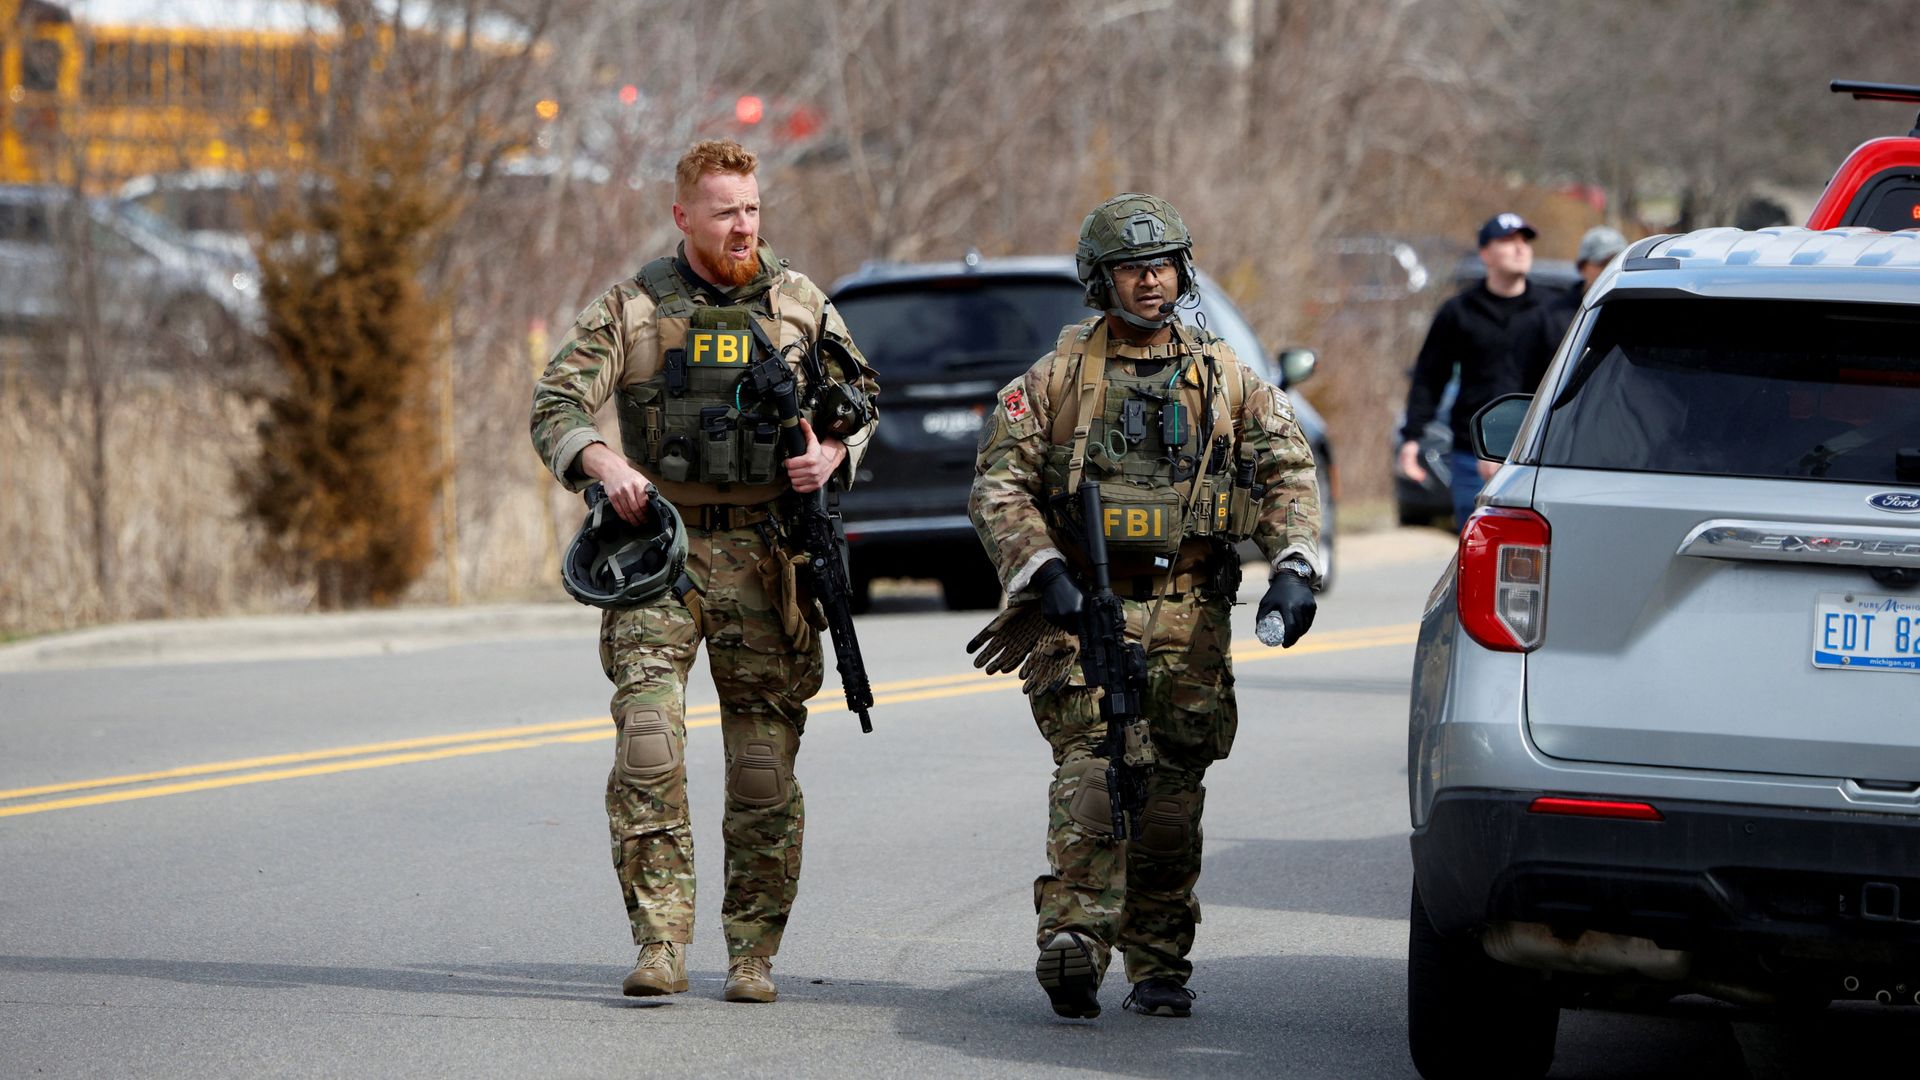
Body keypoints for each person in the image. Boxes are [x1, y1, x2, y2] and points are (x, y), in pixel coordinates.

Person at [529, 138, 879, 1004]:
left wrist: (833, 452)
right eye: (725, 211)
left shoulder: (798, 304)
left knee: (762, 764)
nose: (742, 225)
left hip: (768, 557)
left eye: (753, 208)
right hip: (663, 551)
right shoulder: (635, 307)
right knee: (648, 745)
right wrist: (606, 467)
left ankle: (753, 953)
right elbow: (558, 402)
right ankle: (660, 940)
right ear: (684, 216)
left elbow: (864, 396)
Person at [968, 193, 1322, 1020]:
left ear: (1183, 270)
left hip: (1191, 614)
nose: (1150, 282)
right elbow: (998, 485)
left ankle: (1160, 962)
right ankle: (1075, 941)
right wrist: (1040, 568)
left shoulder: (1225, 378)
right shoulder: (1053, 382)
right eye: (1132, 268)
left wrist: (1294, 564)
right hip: (1086, 610)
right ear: (1102, 280)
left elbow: (1286, 471)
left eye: (1162, 265)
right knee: (1094, 767)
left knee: (1169, 795)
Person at [1397, 212, 1546, 529]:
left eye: (1524, 241)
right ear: (1485, 254)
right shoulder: (1458, 312)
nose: (1520, 249)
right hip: (1471, 456)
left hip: (1537, 455)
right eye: (1507, 241)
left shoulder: (1551, 311)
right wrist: (1412, 439)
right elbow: (1429, 377)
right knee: (1477, 547)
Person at [1507, 225, 1628, 396]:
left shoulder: (1637, 316)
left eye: (1618, 262)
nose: (1611, 269)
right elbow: (1523, 380)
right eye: (1603, 263)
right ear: (1582, 267)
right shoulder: (1548, 318)